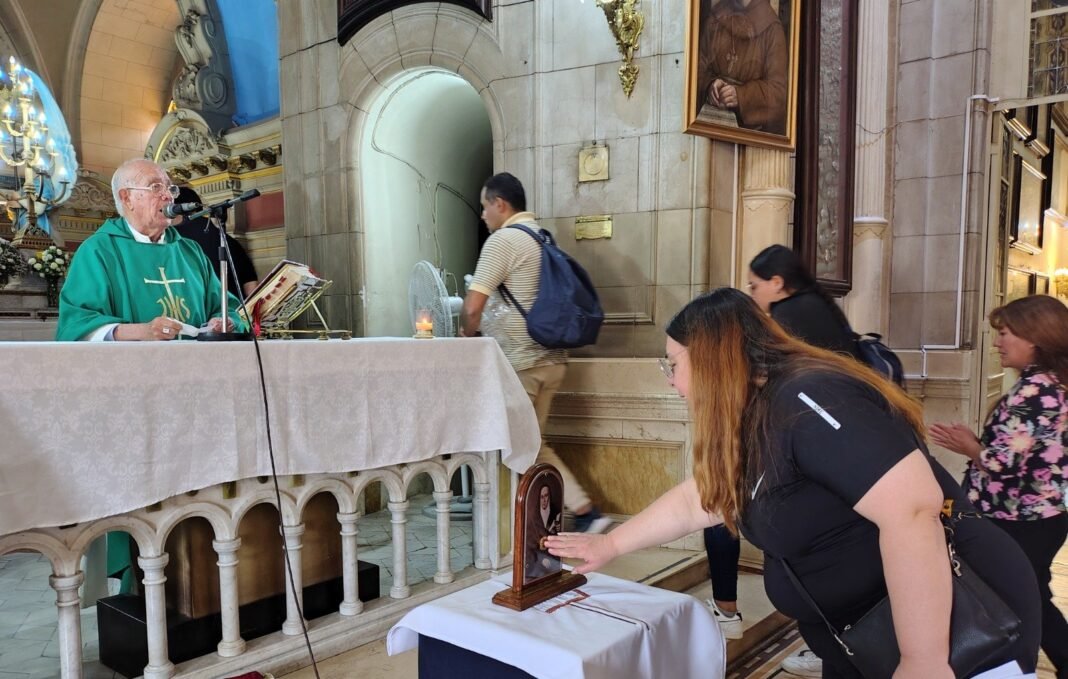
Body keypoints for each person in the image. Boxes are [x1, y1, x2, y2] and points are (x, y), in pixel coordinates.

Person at [548, 288, 1041, 679]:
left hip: (960, 625)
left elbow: (911, 511)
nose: (671, 381)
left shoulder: (808, 397)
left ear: (713, 359)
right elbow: (704, 497)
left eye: (672, 365)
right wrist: (610, 544)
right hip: (863, 635)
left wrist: (923, 661)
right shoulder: (757, 410)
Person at [461, 172, 611, 535]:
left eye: (484, 207)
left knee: (514, 446)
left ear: (500, 204)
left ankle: (521, 531)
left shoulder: (502, 241)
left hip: (521, 364)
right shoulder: (542, 237)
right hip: (553, 360)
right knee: (532, 444)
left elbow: (473, 306)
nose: (482, 215)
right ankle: (578, 512)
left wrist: (466, 338)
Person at [931, 294, 1068, 679]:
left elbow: (1004, 463)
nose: (997, 342)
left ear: (1034, 338)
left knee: (1020, 599)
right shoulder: (1050, 384)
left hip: (1022, 519)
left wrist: (970, 447)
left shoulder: (1036, 390)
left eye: (1005, 333)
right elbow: (1026, 451)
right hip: (1038, 516)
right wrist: (978, 445)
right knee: (1030, 594)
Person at [747, 243, 863, 676]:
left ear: (777, 283)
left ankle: (832, 643)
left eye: (754, 285)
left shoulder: (790, 315)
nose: (753, 293)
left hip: (818, 442)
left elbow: (774, 380)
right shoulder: (817, 305)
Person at [57, 158, 244, 341]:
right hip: (133, 361)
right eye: (155, 187)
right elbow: (77, 326)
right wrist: (141, 332)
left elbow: (228, 308)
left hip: (198, 359)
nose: (168, 196)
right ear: (126, 198)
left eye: (170, 188)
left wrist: (222, 321)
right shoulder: (97, 251)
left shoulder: (190, 251)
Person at [696, 0, 788, 135]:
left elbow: (777, 93)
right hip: (710, 126)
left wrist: (740, 96)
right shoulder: (716, 18)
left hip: (750, 135)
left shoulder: (772, 29)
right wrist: (710, 85)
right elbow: (696, 69)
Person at [172, 186, 259, 300]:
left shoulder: (173, 240)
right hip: (235, 308)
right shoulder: (228, 240)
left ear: (175, 208)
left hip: (196, 308)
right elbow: (251, 287)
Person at [525, 482, 563, 580]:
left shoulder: (555, 512)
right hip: (536, 556)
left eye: (546, 496)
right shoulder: (533, 516)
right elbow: (530, 540)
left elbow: (558, 536)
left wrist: (557, 531)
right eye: (542, 497)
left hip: (552, 554)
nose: (544, 500)